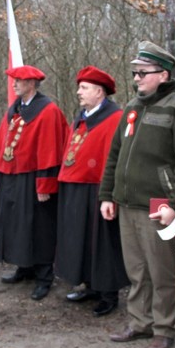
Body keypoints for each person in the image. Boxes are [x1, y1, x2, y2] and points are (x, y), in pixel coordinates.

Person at [99, 41, 175, 348]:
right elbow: (115, 155)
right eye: (135, 73)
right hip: (127, 203)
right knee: (136, 270)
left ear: (164, 74)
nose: (136, 78)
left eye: (143, 73)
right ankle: (140, 322)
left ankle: (163, 329)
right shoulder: (132, 108)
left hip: (160, 206)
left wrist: (174, 206)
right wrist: (107, 194)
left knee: (161, 270)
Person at [0, 65, 69, 301]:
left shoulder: (48, 111)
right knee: (15, 225)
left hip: (32, 178)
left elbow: (50, 149)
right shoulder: (16, 108)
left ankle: (44, 276)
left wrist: (45, 184)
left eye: (18, 80)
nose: (14, 84)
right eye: (14, 80)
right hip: (11, 176)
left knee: (38, 227)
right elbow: (2, 142)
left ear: (31, 84)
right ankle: (24, 267)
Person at [55, 66, 129, 317]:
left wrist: (110, 194)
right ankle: (89, 284)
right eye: (80, 88)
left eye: (84, 88)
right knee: (81, 239)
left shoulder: (115, 118)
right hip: (76, 185)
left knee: (102, 242)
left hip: (98, 187)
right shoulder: (82, 116)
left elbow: (117, 157)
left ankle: (108, 293)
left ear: (99, 92)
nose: (78, 92)